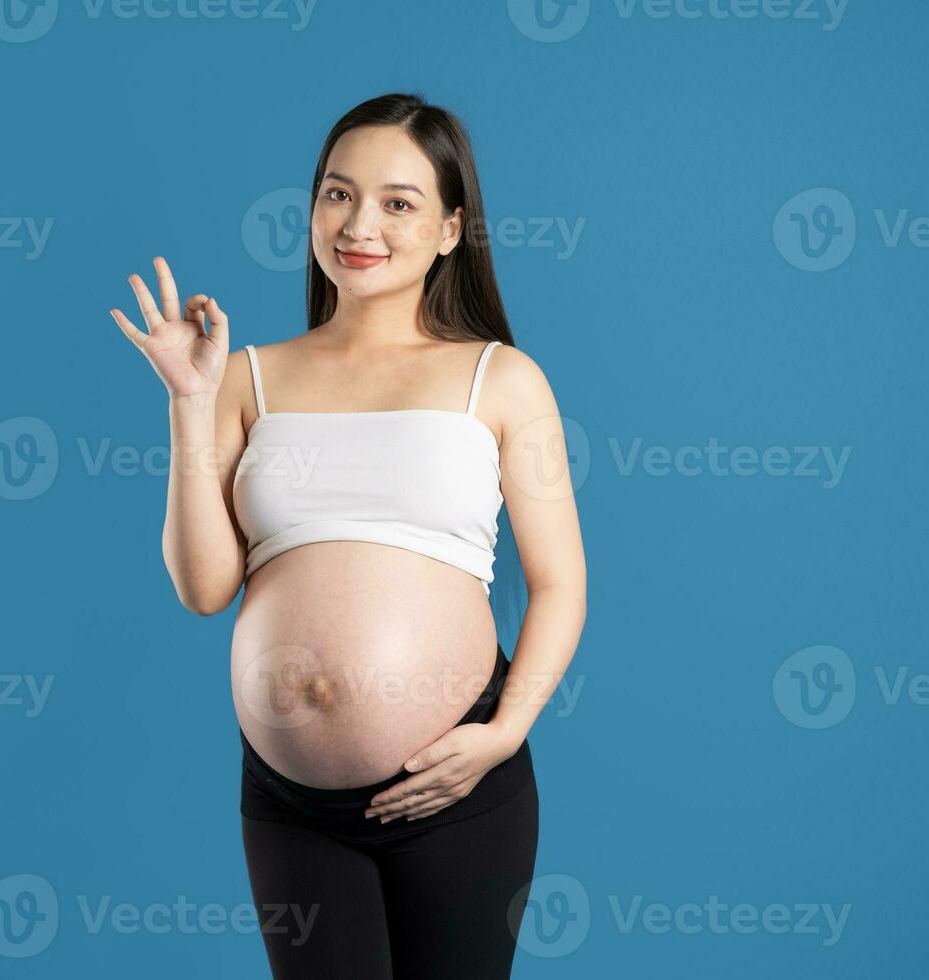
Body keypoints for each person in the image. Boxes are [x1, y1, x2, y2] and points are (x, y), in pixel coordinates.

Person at [112, 92, 587, 979]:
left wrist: (504, 732)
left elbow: (560, 584)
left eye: (397, 203)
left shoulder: (502, 379)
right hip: (291, 803)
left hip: (458, 789)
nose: (359, 223)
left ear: (450, 230)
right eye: (338, 193)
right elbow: (204, 587)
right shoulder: (248, 376)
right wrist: (189, 401)